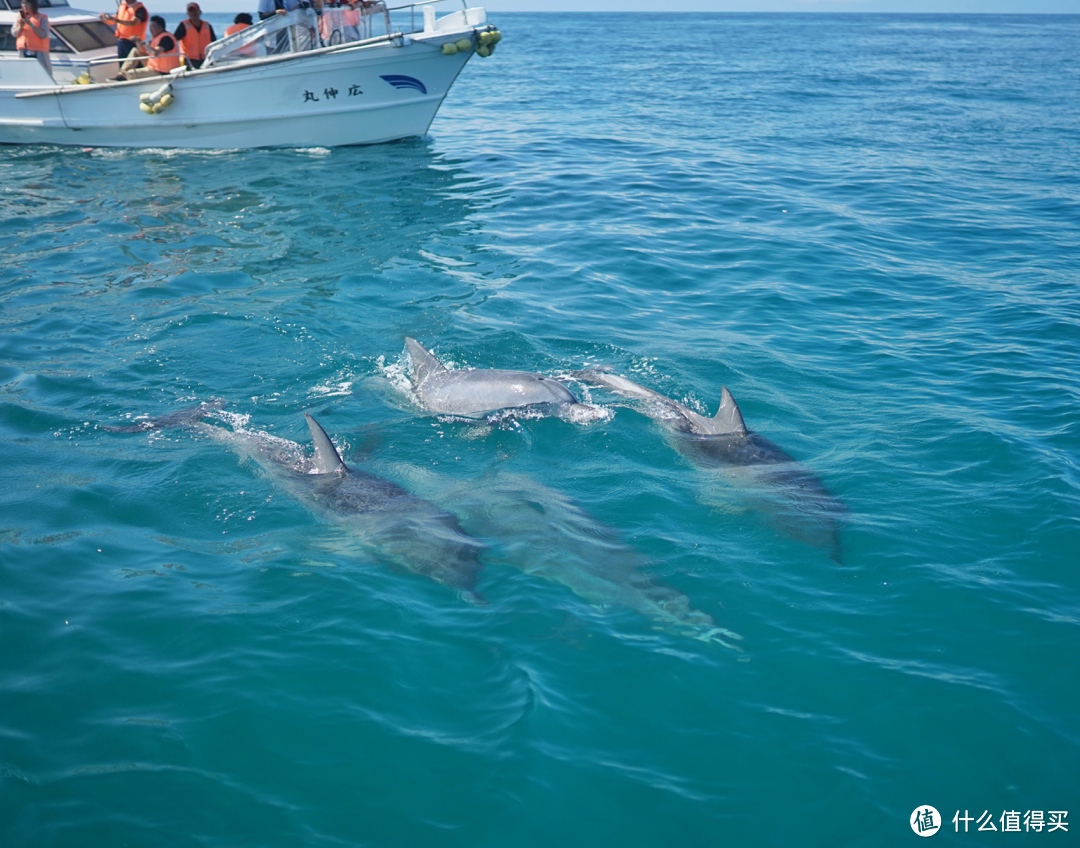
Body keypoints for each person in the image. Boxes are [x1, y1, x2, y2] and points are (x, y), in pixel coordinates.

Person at [120, 15, 180, 80]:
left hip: (162, 71)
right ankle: (121, 74)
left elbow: (155, 52)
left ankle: (128, 83)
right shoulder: (155, 37)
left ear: (160, 28)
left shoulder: (166, 39)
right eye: (150, 27)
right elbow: (142, 50)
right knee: (135, 50)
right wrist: (138, 41)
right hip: (153, 66)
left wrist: (142, 42)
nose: (150, 29)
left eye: (153, 27)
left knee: (130, 73)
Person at [12, 0, 52, 79]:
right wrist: (21, 26)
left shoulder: (42, 18)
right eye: (23, 4)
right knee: (24, 74)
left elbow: (44, 35)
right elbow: (14, 33)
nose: (25, 6)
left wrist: (31, 24)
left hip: (39, 51)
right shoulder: (19, 17)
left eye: (27, 3)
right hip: (23, 50)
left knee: (44, 73)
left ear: (33, 5)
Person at [174, 2, 215, 70]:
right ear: (188, 13)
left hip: (206, 59)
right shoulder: (183, 25)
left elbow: (214, 43)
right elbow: (174, 40)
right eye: (191, 11)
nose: (193, 13)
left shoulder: (207, 26)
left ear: (200, 12)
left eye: (195, 10)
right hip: (189, 60)